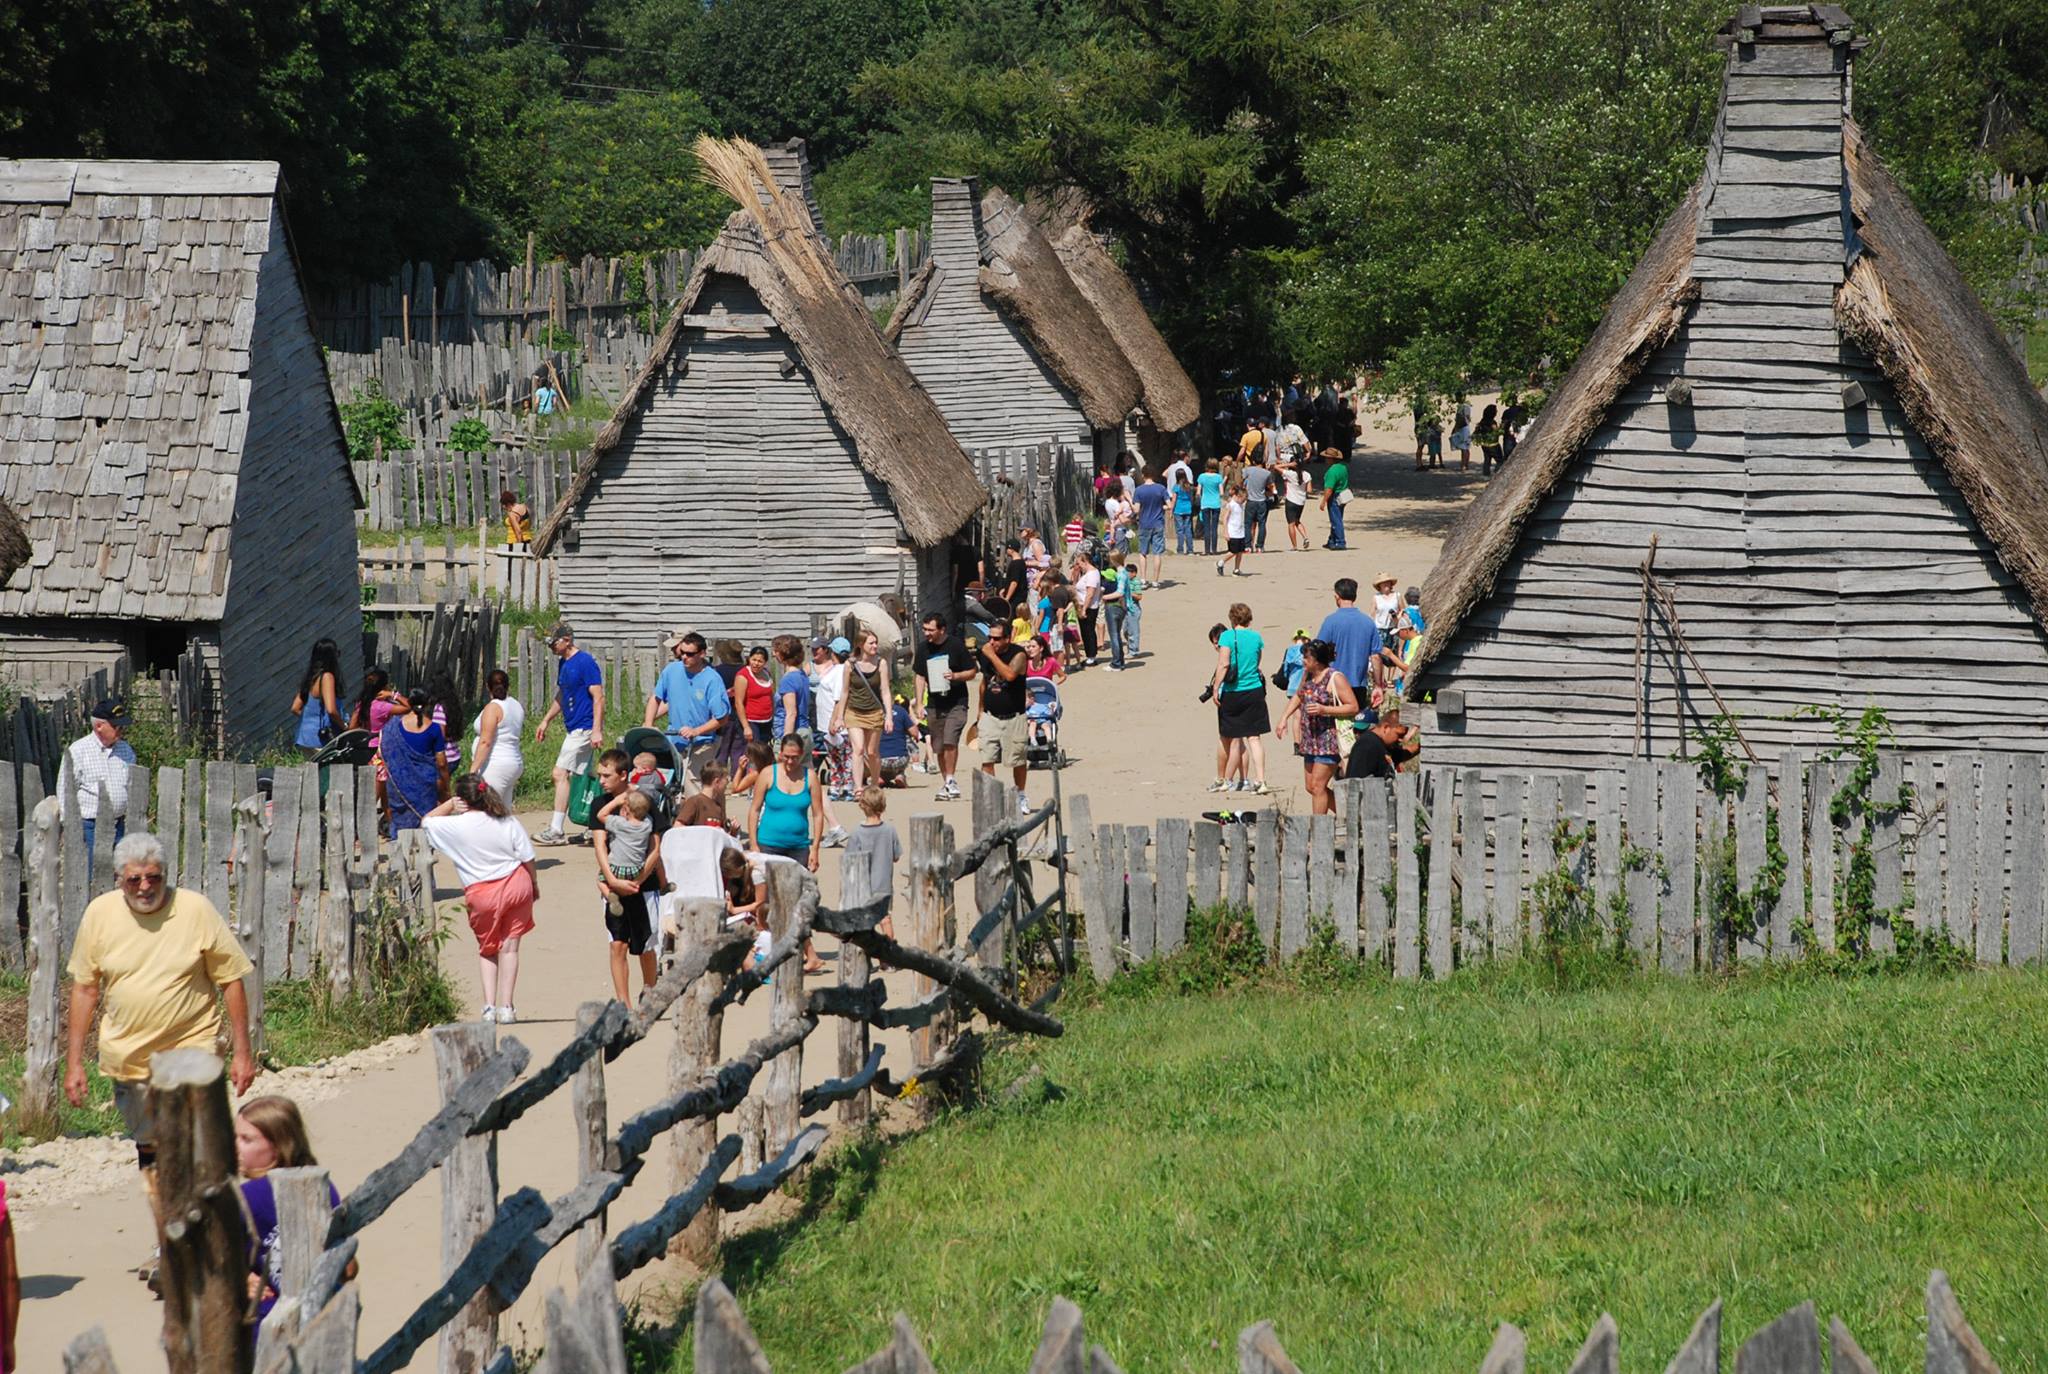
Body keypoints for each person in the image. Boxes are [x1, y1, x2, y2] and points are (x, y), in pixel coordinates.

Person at [66, 832, 255, 1257]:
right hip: (130, 1059)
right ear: (118, 880)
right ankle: (168, 1243)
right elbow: (84, 990)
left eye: (154, 877)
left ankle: (207, 1237)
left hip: (193, 1049)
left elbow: (230, 980)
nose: (145, 888)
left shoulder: (194, 910)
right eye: (134, 880)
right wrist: (73, 1063)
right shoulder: (100, 915)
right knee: (153, 1153)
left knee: (194, 1146)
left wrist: (243, 1050)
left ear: (166, 875)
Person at [423, 773, 538, 1022]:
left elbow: (427, 822)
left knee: (488, 949)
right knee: (510, 947)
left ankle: (489, 1006)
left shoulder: (456, 825)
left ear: (463, 799)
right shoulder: (507, 820)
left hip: (482, 891)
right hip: (517, 883)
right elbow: (527, 857)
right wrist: (534, 884)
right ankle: (507, 1007)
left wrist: (449, 805)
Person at [237, 1096, 347, 1328]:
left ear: (277, 1146)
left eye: (246, 1139)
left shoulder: (245, 1198)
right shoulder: (322, 1186)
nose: (235, 1146)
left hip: (268, 1323)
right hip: (326, 1318)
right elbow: (348, 1266)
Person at [590, 749, 663, 1001]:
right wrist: (611, 880)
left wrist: (640, 879)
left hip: (645, 884)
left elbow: (655, 847)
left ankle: (651, 990)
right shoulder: (600, 804)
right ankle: (624, 1002)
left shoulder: (645, 801)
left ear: (623, 775)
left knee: (646, 944)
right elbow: (600, 845)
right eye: (600, 775)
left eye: (606, 776)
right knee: (617, 943)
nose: (601, 781)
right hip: (615, 882)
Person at [532, 624, 604, 845]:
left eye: (555, 642)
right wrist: (546, 720)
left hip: (584, 727)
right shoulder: (564, 663)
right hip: (573, 727)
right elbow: (563, 695)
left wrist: (596, 729)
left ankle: (556, 830)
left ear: (567, 640)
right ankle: (598, 824)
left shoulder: (585, 662)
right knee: (586, 777)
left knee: (559, 773)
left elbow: (598, 697)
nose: (552, 647)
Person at [1275, 639, 1359, 815]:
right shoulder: (1308, 675)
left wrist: (1324, 709)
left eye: (1306, 657)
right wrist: (1284, 718)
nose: (1303, 661)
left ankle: (1319, 830)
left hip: (1328, 740)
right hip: (1310, 739)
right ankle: (1350, 815)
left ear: (1317, 660)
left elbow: (1353, 706)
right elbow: (1298, 696)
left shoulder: (1335, 678)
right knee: (1310, 787)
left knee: (1318, 786)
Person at [646, 630, 731, 791]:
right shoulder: (671, 671)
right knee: (670, 786)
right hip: (674, 740)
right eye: (682, 652)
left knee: (695, 785)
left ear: (702, 654)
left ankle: (705, 814)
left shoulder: (712, 679)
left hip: (702, 742)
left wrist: (696, 731)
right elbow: (656, 698)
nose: (684, 657)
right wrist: (649, 724)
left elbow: (722, 718)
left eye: (690, 654)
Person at [1208, 603, 1271, 794]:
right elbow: (1258, 659)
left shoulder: (1228, 636)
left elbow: (1224, 663)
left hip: (1233, 691)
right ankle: (1260, 781)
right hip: (1254, 689)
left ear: (1232, 619)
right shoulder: (1256, 637)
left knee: (1226, 736)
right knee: (1254, 737)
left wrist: (1216, 687)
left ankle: (1221, 779)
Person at [912, 614, 975, 801]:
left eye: (930, 630)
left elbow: (972, 671)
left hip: (957, 702)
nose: (927, 634)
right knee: (938, 746)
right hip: (934, 704)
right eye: (924, 630)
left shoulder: (956, 646)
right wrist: (919, 703)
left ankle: (951, 778)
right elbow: (919, 676)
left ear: (942, 630)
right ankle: (946, 782)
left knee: (950, 739)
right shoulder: (923, 648)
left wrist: (955, 676)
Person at [65, 698, 135, 858]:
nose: (121, 730)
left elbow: (132, 784)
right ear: (99, 726)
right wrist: (68, 825)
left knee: (117, 875)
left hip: (118, 824)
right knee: (92, 874)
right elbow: (66, 790)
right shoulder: (78, 751)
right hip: (89, 826)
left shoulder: (126, 750)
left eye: (122, 726)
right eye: (116, 726)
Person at [1317, 578, 1385, 736]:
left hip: (1333, 685)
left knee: (1333, 731)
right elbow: (1376, 657)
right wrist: (1378, 685)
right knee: (1356, 730)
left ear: (1337, 596)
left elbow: (1318, 652)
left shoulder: (1331, 621)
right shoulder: (1367, 622)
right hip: (1358, 685)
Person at [380, 686, 449, 835]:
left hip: (398, 786)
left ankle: (399, 852)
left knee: (400, 827)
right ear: (427, 704)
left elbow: (384, 752)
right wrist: (445, 785)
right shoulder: (434, 728)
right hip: (425, 789)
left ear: (409, 702)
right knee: (424, 827)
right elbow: (442, 762)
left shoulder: (392, 727)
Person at [977, 619, 1031, 807]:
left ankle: (1021, 795)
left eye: (997, 639)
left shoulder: (1019, 655)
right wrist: (980, 710)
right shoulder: (984, 654)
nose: (992, 642)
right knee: (987, 758)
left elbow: (1009, 675)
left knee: (1017, 759)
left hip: (1014, 716)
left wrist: (991, 655)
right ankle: (991, 798)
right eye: (989, 638)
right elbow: (984, 682)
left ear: (1008, 638)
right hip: (990, 716)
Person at [833, 629, 890, 797]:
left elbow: (885, 690)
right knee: (857, 749)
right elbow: (844, 692)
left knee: (872, 752)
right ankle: (858, 788)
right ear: (861, 645)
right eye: (871, 643)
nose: (875, 646)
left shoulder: (881, 663)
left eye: (875, 642)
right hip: (854, 711)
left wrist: (888, 716)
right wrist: (839, 717)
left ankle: (874, 783)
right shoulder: (850, 664)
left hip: (874, 711)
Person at [841, 784, 901, 941]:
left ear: (862, 805)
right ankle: (888, 958)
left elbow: (850, 861)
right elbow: (896, 856)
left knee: (863, 921)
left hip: (862, 885)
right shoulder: (890, 830)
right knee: (885, 919)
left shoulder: (857, 833)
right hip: (884, 884)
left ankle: (866, 956)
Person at [468, 668, 526, 809]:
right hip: (513, 761)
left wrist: (473, 770)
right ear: (508, 686)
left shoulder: (493, 708)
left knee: (488, 811)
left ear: (488, 686)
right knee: (503, 812)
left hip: (496, 765)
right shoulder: (515, 705)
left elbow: (485, 742)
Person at [290, 639, 345, 754]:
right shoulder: (327, 677)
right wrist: (345, 727)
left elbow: (295, 708)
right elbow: (331, 710)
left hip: (305, 737)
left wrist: (311, 720)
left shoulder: (311, 677)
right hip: (320, 738)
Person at [1345, 713, 1422, 779]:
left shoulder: (1383, 746)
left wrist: (1423, 746)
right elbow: (1357, 781)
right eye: (1399, 735)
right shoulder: (1367, 744)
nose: (1401, 740)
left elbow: (1403, 753)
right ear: (1386, 727)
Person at [769, 635, 812, 747]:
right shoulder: (802, 674)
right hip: (804, 730)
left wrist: (786, 744)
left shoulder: (789, 679)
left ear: (783, 654)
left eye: (776, 651)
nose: (774, 654)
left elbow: (791, 714)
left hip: (792, 734)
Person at [1130, 468, 1168, 584]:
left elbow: (1136, 509)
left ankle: (1143, 579)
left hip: (1144, 523)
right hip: (1158, 523)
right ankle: (1155, 581)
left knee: (1143, 552)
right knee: (1157, 553)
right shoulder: (1161, 488)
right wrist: (1162, 507)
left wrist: (1129, 501)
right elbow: (1169, 505)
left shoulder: (1139, 490)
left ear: (1143, 475)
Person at [733, 645, 777, 745]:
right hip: (751, 721)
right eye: (754, 660)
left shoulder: (766, 674)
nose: (756, 664)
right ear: (749, 659)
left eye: (760, 661)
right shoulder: (743, 676)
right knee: (754, 752)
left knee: (764, 752)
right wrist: (746, 727)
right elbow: (738, 703)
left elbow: (770, 696)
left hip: (766, 721)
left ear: (765, 663)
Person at [676, 761, 732, 827]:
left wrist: (733, 830)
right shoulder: (695, 801)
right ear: (717, 781)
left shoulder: (719, 802)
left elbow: (722, 834)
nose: (728, 782)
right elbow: (677, 826)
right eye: (726, 779)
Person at [878, 695, 916, 786]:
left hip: (881, 760)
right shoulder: (902, 712)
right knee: (907, 748)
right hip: (900, 759)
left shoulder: (876, 712)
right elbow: (915, 733)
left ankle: (878, 777)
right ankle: (900, 775)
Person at [1319, 448, 1351, 550]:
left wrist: (1323, 501)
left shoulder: (1332, 471)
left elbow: (1329, 489)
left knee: (1336, 520)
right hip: (1343, 495)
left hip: (1335, 496)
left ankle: (1340, 542)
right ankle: (1332, 540)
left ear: (1330, 459)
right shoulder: (1343, 467)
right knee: (1337, 518)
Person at [1100, 560, 1130, 671]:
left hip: (1112, 607)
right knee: (1117, 635)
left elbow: (1102, 592)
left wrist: (1103, 597)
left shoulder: (1107, 585)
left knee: (1114, 636)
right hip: (1120, 608)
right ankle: (1120, 661)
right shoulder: (1118, 581)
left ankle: (1116, 663)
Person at [1166, 450, 1197, 556]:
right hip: (1187, 509)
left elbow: (1174, 499)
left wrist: (1171, 510)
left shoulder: (1176, 487)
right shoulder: (1188, 487)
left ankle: (1180, 549)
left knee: (1180, 530)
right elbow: (1191, 498)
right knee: (1188, 529)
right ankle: (1190, 549)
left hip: (1178, 510)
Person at [1243, 451, 1274, 554]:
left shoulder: (1248, 470)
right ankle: (1259, 546)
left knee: (1248, 524)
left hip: (1251, 500)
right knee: (1262, 524)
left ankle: (1247, 546)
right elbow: (1271, 487)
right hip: (1261, 501)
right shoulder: (1267, 473)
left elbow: (1240, 481)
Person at [1279, 451, 1311, 552]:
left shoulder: (1290, 474)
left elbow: (1275, 467)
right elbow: (1309, 490)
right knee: (1297, 521)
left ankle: (1294, 546)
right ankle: (1305, 537)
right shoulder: (1306, 475)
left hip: (1291, 500)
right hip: (1301, 501)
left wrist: (1288, 464)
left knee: (1291, 523)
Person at [1218, 483, 1249, 577]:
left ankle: (1236, 569)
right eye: (1243, 499)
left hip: (1240, 532)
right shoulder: (1231, 505)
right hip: (1232, 532)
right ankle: (1221, 562)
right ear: (1238, 496)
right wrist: (1225, 531)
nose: (1244, 502)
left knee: (1240, 552)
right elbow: (1225, 518)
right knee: (1233, 551)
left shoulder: (1240, 505)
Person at [1196, 458, 1224, 555]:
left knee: (1207, 527)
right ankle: (1214, 549)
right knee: (1214, 527)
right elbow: (1221, 492)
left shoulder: (1202, 477)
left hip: (1205, 503)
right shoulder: (1218, 477)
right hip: (1216, 503)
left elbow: (1198, 492)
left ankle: (1207, 550)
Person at [1119, 559, 1146, 657]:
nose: (1127, 575)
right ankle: (1130, 647)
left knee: (1133, 630)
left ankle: (1133, 651)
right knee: (1125, 630)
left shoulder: (1136, 582)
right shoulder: (1125, 581)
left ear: (1134, 573)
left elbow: (1139, 596)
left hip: (1134, 608)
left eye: (1128, 573)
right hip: (1126, 607)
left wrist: (1130, 593)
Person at [1476, 403, 1503, 472]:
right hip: (1493, 445)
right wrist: (1502, 427)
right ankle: (1497, 472)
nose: (1496, 412)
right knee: (1500, 460)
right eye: (1496, 411)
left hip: (1484, 444)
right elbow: (1497, 432)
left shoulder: (1482, 421)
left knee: (1487, 460)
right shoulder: (1492, 422)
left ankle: (1486, 473)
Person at [1450, 398, 1473, 471]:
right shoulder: (1467, 406)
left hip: (1462, 428)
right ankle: (1466, 464)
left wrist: (1455, 428)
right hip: (1466, 427)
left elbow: (1461, 419)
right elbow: (1468, 418)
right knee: (1466, 447)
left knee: (1464, 448)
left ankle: (1463, 465)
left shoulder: (1462, 407)